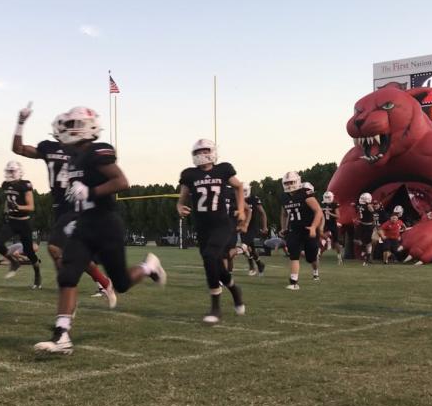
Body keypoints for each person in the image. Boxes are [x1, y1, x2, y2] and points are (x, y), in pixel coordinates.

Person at [34, 106, 166, 354]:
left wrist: (92, 192)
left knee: (122, 283)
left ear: (88, 126)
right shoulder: (73, 157)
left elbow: (121, 182)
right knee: (68, 274)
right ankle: (62, 335)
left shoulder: (97, 150)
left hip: (106, 224)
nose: (69, 130)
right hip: (84, 224)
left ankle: (149, 266)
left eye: (74, 124)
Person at [11, 104, 116, 306]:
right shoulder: (48, 147)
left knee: (57, 248)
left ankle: (68, 299)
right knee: (71, 253)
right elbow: (19, 149)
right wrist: (21, 123)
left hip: (78, 205)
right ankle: (103, 283)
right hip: (59, 207)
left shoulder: (82, 149)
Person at [177, 139, 246, 323]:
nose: (201, 155)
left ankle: (215, 307)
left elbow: (239, 186)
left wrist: (240, 208)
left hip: (222, 224)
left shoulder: (223, 169)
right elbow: (182, 198)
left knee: (210, 256)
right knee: (215, 264)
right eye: (198, 152)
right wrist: (180, 207)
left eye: (204, 151)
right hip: (202, 227)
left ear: (213, 152)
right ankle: (234, 289)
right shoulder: (189, 174)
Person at [0, 161, 43, 289]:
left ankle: (37, 274)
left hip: (24, 222)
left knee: (29, 252)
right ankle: (14, 262)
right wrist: (5, 211)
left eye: (12, 171)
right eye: (8, 171)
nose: (10, 174)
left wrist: (18, 206)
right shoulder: (5, 184)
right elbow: (7, 201)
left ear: (19, 172)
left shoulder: (25, 185)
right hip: (12, 221)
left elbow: (31, 207)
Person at [280, 171, 322, 290]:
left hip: (308, 229)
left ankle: (315, 271)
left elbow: (318, 211)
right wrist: (283, 227)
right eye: (287, 182)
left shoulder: (305, 194)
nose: (289, 185)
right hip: (294, 229)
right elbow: (284, 213)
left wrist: (314, 227)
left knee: (311, 257)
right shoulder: (284, 197)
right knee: (294, 254)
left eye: (291, 182)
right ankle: (294, 282)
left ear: (298, 181)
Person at [241, 185, 268, 276]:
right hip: (242, 226)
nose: (243, 192)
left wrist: (264, 227)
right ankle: (260, 264)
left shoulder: (254, 199)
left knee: (245, 246)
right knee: (251, 249)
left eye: (245, 190)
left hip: (252, 226)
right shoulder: (237, 197)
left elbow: (262, 213)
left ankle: (252, 266)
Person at [320, 191, 343, 265]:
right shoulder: (322, 204)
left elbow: (338, 216)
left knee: (336, 242)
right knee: (322, 239)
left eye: (328, 197)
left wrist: (330, 213)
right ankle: (319, 255)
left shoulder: (334, 204)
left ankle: (339, 257)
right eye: (326, 197)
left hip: (332, 224)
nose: (327, 199)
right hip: (324, 224)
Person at [356, 192, 375, 266]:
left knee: (368, 242)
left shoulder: (369, 206)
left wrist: (375, 223)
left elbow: (374, 214)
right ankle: (364, 252)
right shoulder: (361, 205)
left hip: (368, 225)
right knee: (357, 240)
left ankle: (367, 256)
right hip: (361, 224)